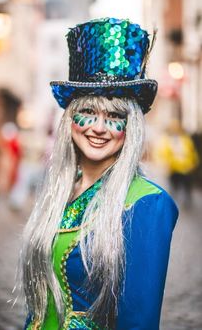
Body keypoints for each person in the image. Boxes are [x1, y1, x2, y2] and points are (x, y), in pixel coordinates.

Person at [19, 18, 179, 330]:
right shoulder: (59, 190)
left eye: (115, 116)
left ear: (130, 126)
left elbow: (140, 322)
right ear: (70, 119)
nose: (98, 128)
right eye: (88, 112)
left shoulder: (148, 203)